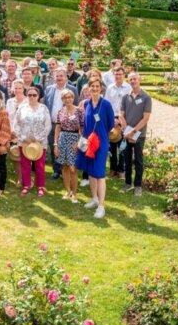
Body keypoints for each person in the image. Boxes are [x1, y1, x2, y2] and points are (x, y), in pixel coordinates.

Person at [77, 78, 114, 219]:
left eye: (97, 86)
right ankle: (94, 198)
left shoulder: (106, 105)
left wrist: (100, 134)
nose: (94, 89)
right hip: (88, 142)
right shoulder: (86, 103)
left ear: (101, 88)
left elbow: (110, 123)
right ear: (88, 88)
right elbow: (85, 124)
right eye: (92, 86)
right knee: (91, 171)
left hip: (101, 142)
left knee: (99, 173)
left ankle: (101, 206)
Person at [14, 86, 52, 197]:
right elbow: (16, 125)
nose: (32, 97)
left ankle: (40, 186)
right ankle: (26, 185)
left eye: (34, 95)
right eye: (29, 95)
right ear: (27, 96)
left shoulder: (44, 108)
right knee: (25, 165)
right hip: (25, 142)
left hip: (39, 143)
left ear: (38, 96)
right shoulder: (22, 108)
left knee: (39, 165)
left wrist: (38, 138)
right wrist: (23, 137)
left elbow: (48, 126)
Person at [120, 72, 153, 196]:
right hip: (128, 133)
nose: (133, 81)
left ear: (139, 80)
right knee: (127, 159)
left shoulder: (146, 97)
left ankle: (138, 185)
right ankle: (128, 183)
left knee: (138, 160)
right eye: (130, 79)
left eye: (135, 79)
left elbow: (145, 118)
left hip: (139, 134)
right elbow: (120, 115)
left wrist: (133, 131)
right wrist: (126, 130)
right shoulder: (125, 96)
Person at [44, 69, 79, 180]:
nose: (59, 78)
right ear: (54, 77)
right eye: (57, 76)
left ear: (66, 77)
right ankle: (56, 170)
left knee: (67, 147)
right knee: (54, 146)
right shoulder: (49, 89)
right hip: (52, 123)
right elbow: (46, 105)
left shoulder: (72, 89)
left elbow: (76, 105)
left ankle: (67, 169)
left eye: (61, 76)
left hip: (67, 126)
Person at [53, 89, 82, 202]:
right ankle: (67, 191)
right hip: (62, 139)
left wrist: (79, 142)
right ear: (62, 100)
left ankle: (74, 194)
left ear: (73, 98)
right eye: (65, 97)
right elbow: (58, 127)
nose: (68, 99)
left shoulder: (79, 111)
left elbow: (83, 129)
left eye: (70, 97)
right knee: (64, 167)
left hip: (74, 140)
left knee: (73, 168)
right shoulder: (61, 111)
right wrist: (55, 144)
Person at [105, 67, 131, 178]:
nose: (118, 76)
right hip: (112, 119)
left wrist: (122, 120)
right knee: (112, 145)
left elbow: (130, 105)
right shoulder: (110, 88)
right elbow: (107, 105)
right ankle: (113, 169)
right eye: (116, 74)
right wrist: (112, 119)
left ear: (124, 75)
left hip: (125, 119)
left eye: (120, 74)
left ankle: (121, 170)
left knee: (123, 147)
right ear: (113, 75)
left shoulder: (128, 88)